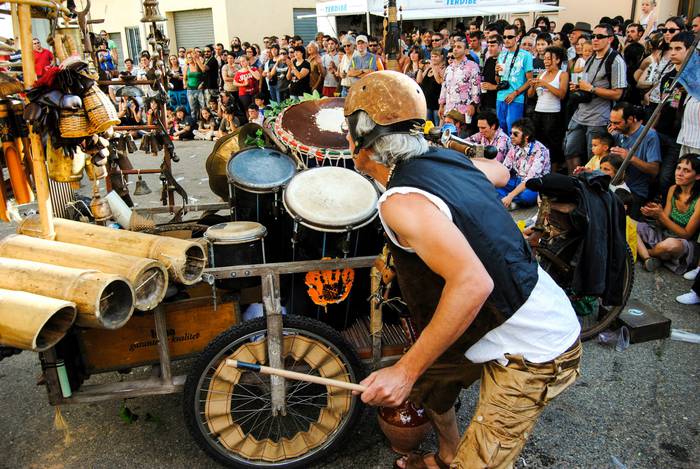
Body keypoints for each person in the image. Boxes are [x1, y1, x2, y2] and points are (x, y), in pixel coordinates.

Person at [343, 70, 581, 469]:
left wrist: (402, 371)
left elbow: (472, 283)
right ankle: (448, 452)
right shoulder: (447, 159)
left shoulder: (399, 202)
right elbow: (501, 174)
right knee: (432, 382)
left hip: (534, 348)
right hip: (500, 315)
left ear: (359, 143)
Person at [564, 23, 627, 174]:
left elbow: (618, 93)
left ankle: (590, 192)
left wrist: (591, 89)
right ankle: (576, 185)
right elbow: (587, 83)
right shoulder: (591, 57)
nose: (595, 39)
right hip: (580, 114)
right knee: (569, 150)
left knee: (594, 158)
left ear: (610, 39)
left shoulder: (616, 60)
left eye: (600, 36)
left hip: (599, 118)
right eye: (593, 36)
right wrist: (578, 87)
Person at [637, 154, 700, 273]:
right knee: (628, 223)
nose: (679, 173)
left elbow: (686, 234)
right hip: (664, 235)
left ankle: (646, 253)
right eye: (678, 168)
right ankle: (651, 257)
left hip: (682, 245)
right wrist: (655, 214)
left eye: (686, 171)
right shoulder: (673, 189)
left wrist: (661, 215)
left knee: (670, 245)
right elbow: (662, 224)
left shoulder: (699, 200)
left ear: (697, 176)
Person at [655, 31, 694, 197]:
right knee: (656, 172)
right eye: (671, 48)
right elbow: (662, 106)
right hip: (661, 130)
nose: (673, 52)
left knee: (668, 175)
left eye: (678, 48)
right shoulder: (668, 77)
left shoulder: (694, 80)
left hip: (680, 135)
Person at [608, 102, 661, 215]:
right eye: (611, 122)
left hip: (635, 191)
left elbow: (654, 170)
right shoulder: (617, 133)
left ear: (631, 119)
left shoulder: (649, 135)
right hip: (614, 185)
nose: (613, 126)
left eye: (617, 123)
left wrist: (630, 157)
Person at [529, 46, 569, 172]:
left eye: (549, 59)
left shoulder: (562, 74)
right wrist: (532, 86)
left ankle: (553, 173)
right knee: (538, 143)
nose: (545, 61)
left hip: (553, 114)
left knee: (553, 146)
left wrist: (545, 84)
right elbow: (531, 95)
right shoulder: (541, 73)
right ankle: (539, 170)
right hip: (538, 111)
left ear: (557, 60)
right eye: (545, 59)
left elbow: (562, 94)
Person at [498, 118, 551, 208]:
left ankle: (510, 200)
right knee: (495, 185)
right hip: (517, 179)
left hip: (533, 184)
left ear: (527, 135)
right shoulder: (514, 146)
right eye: (511, 133)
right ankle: (511, 201)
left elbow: (529, 181)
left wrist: (510, 195)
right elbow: (505, 168)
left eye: (515, 134)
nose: (511, 136)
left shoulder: (540, 151)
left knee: (526, 197)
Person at [495, 24, 533, 133]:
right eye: (504, 37)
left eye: (510, 37)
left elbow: (530, 81)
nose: (506, 40)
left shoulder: (526, 55)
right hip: (501, 97)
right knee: (501, 131)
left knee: (513, 131)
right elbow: (498, 81)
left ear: (517, 37)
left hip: (516, 98)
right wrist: (496, 72)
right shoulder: (502, 54)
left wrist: (515, 93)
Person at [438, 36, 480, 127]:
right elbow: (444, 87)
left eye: (459, 47)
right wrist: (441, 105)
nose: (455, 49)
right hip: (449, 109)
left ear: (466, 51)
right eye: (454, 47)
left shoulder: (472, 66)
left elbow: (476, 88)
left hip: (464, 110)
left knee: (462, 137)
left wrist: (473, 105)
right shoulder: (449, 68)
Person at [417, 48, 445, 126]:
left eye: (436, 56)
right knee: (427, 127)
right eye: (432, 56)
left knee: (436, 127)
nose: (433, 58)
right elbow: (419, 81)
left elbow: (439, 81)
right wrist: (420, 68)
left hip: (437, 105)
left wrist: (433, 67)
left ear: (442, 57)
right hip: (427, 103)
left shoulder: (443, 68)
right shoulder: (429, 68)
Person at [479, 34, 502, 112]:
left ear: (500, 46)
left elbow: (510, 85)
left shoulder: (505, 60)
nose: (489, 49)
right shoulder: (489, 60)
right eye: (488, 46)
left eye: (492, 46)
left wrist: (494, 87)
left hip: (497, 104)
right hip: (486, 102)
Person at [184, 49, 207, 121]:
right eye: (188, 57)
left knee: (203, 107)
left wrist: (202, 83)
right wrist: (185, 84)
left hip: (199, 89)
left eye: (190, 57)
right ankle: (194, 123)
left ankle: (205, 122)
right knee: (193, 109)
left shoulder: (198, 65)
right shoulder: (186, 67)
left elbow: (204, 71)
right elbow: (184, 78)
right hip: (190, 90)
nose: (189, 59)